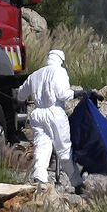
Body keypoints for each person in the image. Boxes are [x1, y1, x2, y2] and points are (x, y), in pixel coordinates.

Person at [16, 49, 84, 193]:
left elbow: (21, 95)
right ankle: (77, 184)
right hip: (55, 113)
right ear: (61, 60)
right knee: (64, 150)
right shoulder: (59, 72)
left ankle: (40, 179)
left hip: (37, 114)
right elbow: (63, 94)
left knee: (42, 146)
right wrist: (79, 93)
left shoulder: (35, 75)